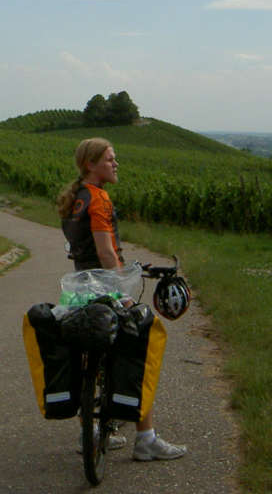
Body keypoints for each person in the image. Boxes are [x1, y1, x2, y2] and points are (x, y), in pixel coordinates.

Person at [56, 137, 187, 462]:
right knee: (144, 339)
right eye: (110, 159)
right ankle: (146, 438)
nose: (116, 164)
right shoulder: (99, 199)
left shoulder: (77, 199)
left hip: (78, 291)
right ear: (91, 164)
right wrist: (121, 293)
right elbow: (104, 252)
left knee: (95, 353)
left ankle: (96, 429)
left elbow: (85, 252)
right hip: (103, 287)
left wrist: (127, 267)